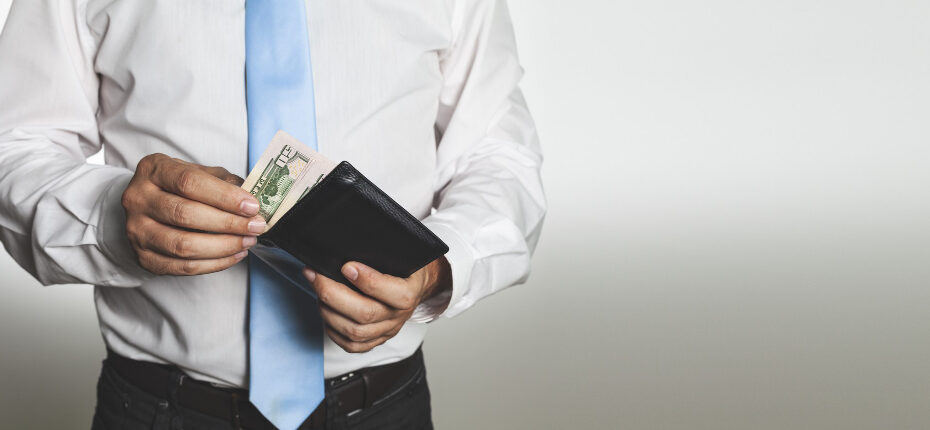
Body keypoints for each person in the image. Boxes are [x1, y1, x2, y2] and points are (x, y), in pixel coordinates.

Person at [0, 1, 545, 429]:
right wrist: (112, 217)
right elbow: (16, 146)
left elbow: (497, 155)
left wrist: (434, 268)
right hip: (155, 408)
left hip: (383, 406)